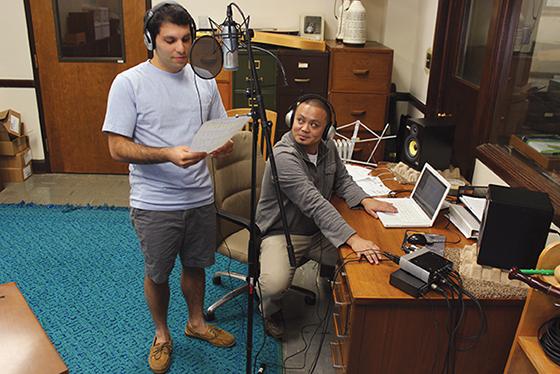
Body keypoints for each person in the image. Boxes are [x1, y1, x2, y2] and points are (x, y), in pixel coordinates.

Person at [102, 2, 235, 373]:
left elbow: (219, 130)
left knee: (196, 264)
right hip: (154, 202)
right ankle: (162, 334)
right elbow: (116, 147)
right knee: (157, 273)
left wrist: (222, 145)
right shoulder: (129, 82)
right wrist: (166, 154)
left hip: (200, 196)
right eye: (170, 40)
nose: (180, 49)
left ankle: (196, 323)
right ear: (151, 41)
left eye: (186, 40)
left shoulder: (203, 80)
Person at [255, 95, 397, 339]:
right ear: (291, 120)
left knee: (370, 260)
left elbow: (341, 179)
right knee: (273, 287)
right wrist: (352, 238)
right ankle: (270, 311)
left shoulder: (328, 148)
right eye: (300, 120)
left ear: (326, 131)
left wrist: (364, 199)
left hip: (318, 231)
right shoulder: (283, 156)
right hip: (284, 231)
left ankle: (348, 308)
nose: (304, 129)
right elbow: (315, 203)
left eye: (314, 125)